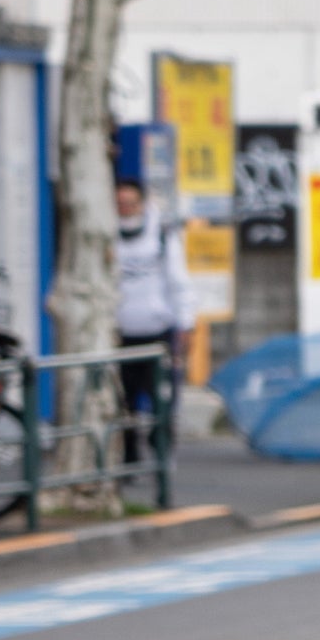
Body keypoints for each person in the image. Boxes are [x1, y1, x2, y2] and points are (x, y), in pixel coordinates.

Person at [114, 179, 195, 462]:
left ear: (142, 203)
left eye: (130, 203)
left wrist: (185, 324)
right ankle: (129, 457)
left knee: (162, 399)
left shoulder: (161, 234)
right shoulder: (103, 235)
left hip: (156, 332)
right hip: (118, 333)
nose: (125, 209)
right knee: (122, 402)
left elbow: (178, 283)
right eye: (120, 204)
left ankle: (161, 455)